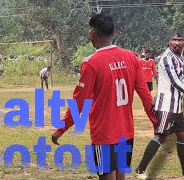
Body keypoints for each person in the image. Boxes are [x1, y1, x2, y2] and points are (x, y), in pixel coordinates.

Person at [51, 13, 156, 180]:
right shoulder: (131, 58)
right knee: (120, 175)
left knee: (107, 176)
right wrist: (157, 123)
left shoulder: (91, 63)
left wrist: (61, 128)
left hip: (104, 134)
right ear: (113, 33)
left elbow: (79, 102)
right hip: (126, 132)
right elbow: (146, 96)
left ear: (92, 33)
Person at [135, 33, 184, 179]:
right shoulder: (167, 58)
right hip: (167, 105)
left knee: (183, 134)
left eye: (180, 40)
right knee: (161, 136)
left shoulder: (179, 57)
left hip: (176, 105)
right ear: (169, 42)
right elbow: (174, 80)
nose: (177, 43)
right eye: (174, 40)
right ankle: (140, 170)